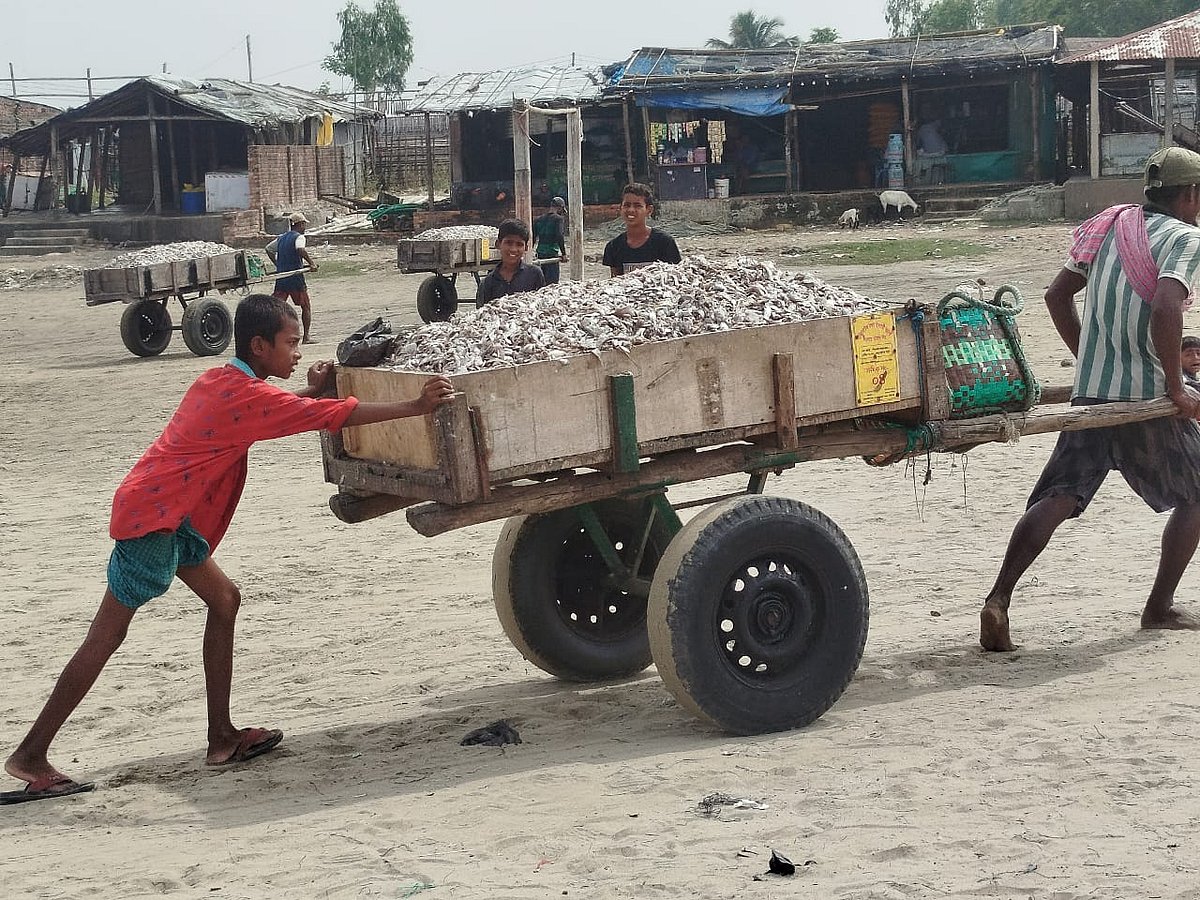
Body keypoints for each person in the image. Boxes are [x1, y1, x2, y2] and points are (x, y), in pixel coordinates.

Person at [1, 294, 454, 803]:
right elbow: (319, 416)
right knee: (105, 636)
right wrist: (415, 406)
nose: (298, 353)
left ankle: (222, 737)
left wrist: (312, 390)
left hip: (167, 512)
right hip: (154, 519)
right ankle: (30, 756)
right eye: (291, 343)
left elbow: (276, 411)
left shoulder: (219, 381)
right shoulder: (243, 396)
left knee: (224, 599)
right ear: (259, 346)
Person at [978, 146, 1200, 653]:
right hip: (1144, 396)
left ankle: (998, 600)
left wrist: (1091, 359)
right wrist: (1175, 386)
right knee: (1197, 494)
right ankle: (1159, 607)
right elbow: (1167, 307)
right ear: (1190, 194)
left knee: (1058, 497)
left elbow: (1056, 296)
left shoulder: (1111, 226)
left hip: (1092, 393)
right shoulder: (1185, 238)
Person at [602, 183, 681, 277]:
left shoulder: (664, 243)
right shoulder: (613, 247)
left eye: (637, 206)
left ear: (649, 210)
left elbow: (676, 278)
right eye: (627, 205)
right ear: (621, 208)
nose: (631, 210)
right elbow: (615, 281)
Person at [266, 213, 319, 344]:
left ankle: (272, 336)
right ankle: (306, 337)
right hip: (295, 278)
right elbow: (300, 250)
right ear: (300, 224)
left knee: (276, 307)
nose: (305, 227)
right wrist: (311, 263)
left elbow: (269, 249)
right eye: (304, 224)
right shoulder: (299, 237)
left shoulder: (281, 238)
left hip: (282, 278)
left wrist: (278, 264)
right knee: (306, 306)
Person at [476, 218, 545, 305]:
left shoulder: (535, 274)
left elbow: (543, 305)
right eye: (509, 243)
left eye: (519, 244)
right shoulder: (487, 283)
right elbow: (482, 311)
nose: (513, 249)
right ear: (498, 244)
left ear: (526, 248)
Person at [532, 197, 568, 285]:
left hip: (540, 253)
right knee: (552, 284)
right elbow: (559, 236)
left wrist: (529, 253)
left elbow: (533, 238)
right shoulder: (558, 219)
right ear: (560, 208)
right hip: (552, 253)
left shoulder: (538, 219)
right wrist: (564, 254)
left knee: (542, 282)